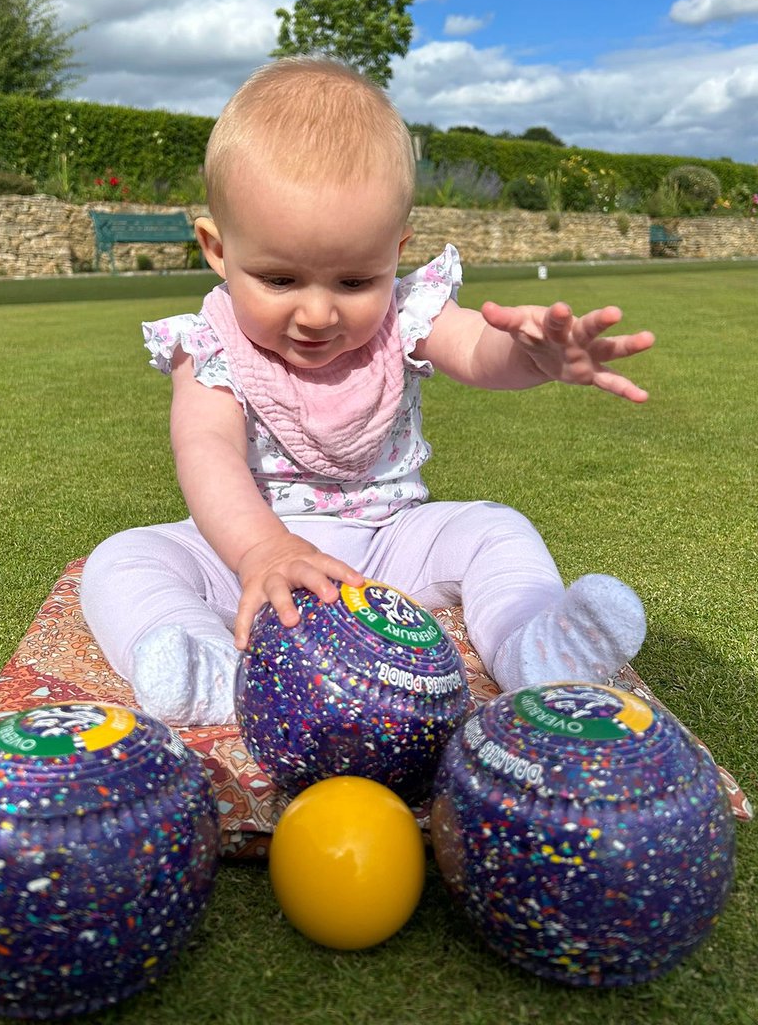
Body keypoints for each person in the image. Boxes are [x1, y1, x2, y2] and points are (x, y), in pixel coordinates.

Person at [80, 57, 656, 726]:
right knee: (123, 560)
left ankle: (534, 644)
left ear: (396, 251)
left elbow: (474, 348)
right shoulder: (209, 344)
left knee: (495, 529)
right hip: (246, 553)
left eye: (355, 282)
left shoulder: (407, 314)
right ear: (216, 249)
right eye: (280, 279)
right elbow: (205, 449)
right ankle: (212, 663)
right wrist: (263, 549)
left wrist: (532, 355)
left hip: (389, 543)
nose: (319, 313)